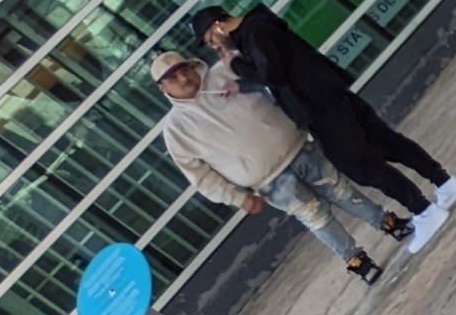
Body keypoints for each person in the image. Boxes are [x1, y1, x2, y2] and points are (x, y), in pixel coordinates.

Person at [189, 4, 456, 248]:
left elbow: (273, 74)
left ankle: (424, 211)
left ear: (217, 26)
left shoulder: (254, 34)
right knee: (387, 143)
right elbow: (276, 67)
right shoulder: (258, 28)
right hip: (330, 95)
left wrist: (236, 64)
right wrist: (242, 82)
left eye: (210, 39)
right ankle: (444, 182)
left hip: (319, 108)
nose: (214, 46)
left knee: (362, 165)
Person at [151, 50, 403, 285]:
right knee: (314, 216)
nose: (183, 78)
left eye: (184, 69)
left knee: (342, 190)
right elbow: (201, 176)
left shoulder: (226, 72)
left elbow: (268, 77)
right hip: (269, 181)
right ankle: (356, 260)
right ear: (163, 88)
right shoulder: (176, 131)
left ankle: (388, 222)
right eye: (173, 78)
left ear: (193, 65)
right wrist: (237, 198)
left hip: (299, 148)